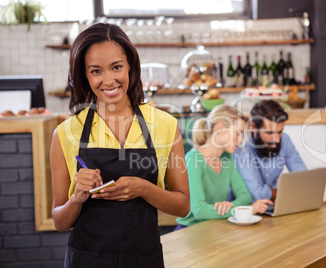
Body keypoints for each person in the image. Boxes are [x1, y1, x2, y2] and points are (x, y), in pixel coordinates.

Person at [50, 23, 190, 267]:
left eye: (116, 67)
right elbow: (60, 223)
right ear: (84, 74)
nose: (108, 80)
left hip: (144, 259)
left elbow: (183, 206)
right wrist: (77, 198)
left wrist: (143, 188)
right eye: (96, 71)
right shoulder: (66, 132)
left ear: (130, 67)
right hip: (86, 260)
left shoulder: (165, 125)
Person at [176, 105, 272, 230]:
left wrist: (229, 206)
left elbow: (245, 197)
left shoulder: (227, 158)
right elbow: (199, 210)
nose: (241, 140)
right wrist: (244, 210)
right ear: (220, 128)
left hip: (215, 226)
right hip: (189, 230)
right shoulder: (193, 159)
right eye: (238, 133)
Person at [234, 100, 306, 202]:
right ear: (254, 127)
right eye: (269, 133)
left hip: (271, 206)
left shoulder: (284, 139)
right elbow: (255, 194)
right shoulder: (242, 145)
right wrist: (287, 192)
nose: (276, 140)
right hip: (246, 210)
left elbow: (303, 178)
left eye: (279, 132)